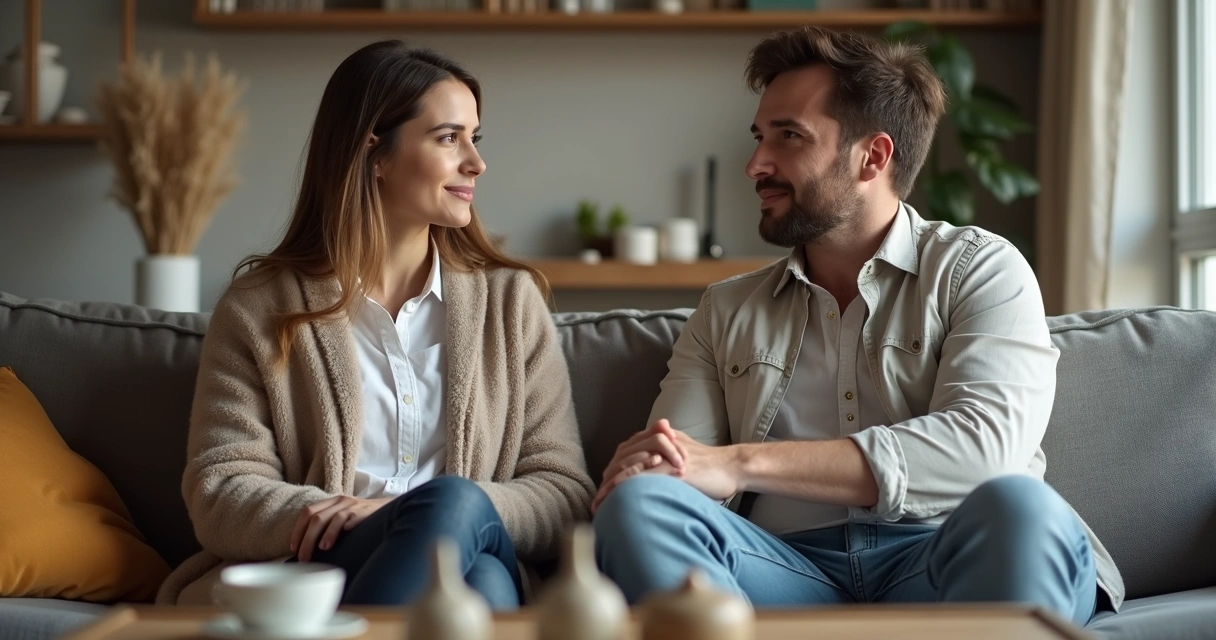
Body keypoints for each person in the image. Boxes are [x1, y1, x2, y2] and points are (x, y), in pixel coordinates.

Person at [590, 26, 1123, 625]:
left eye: (789, 136)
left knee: (1023, 510)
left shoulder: (979, 270)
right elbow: (679, 467)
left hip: (947, 564)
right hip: (782, 574)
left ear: (873, 156)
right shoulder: (725, 310)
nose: (755, 164)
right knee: (643, 506)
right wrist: (651, 475)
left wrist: (738, 462)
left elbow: (982, 450)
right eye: (760, 137)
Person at [157, 40, 594, 609]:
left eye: (474, 137)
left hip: (472, 557)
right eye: (449, 138)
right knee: (470, 560)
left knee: (469, 544)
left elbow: (563, 493)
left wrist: (424, 512)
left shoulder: (512, 304)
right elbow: (221, 488)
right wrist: (356, 519)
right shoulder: (260, 307)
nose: (476, 162)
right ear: (374, 152)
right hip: (318, 565)